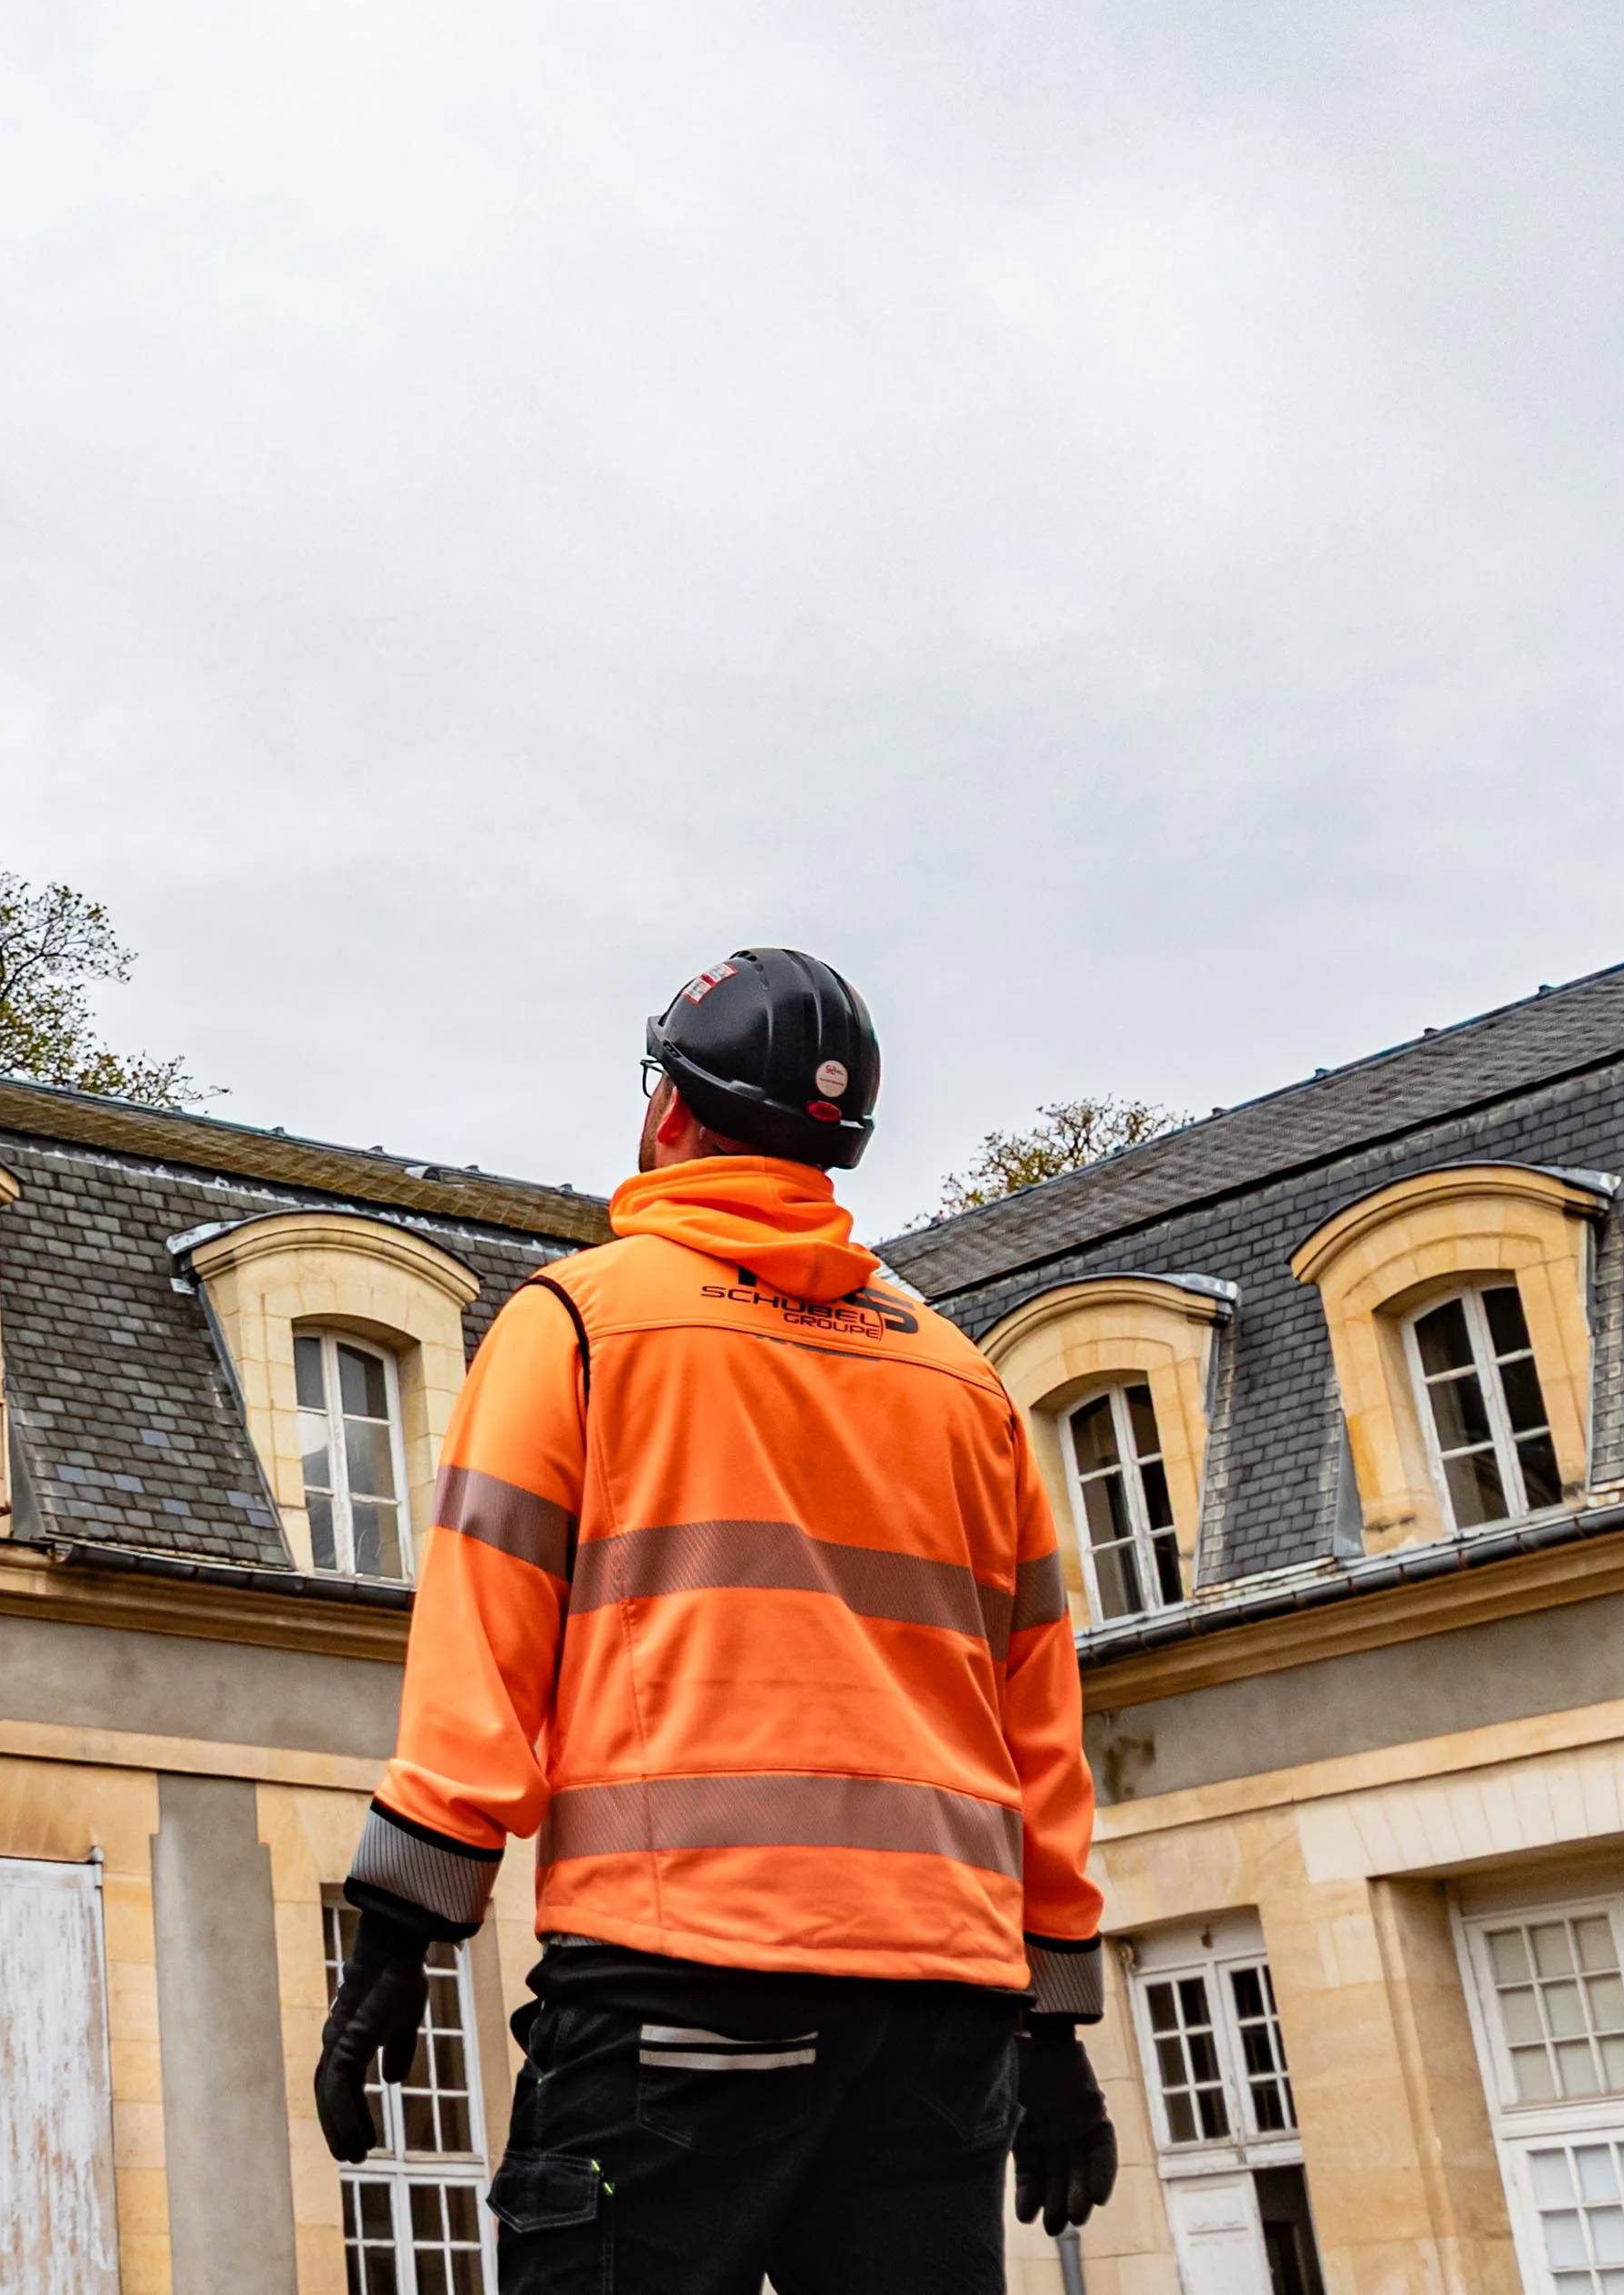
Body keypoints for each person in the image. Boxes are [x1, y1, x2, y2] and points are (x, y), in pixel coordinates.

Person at [314, 950, 1115, 2293]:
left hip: (679, 1994)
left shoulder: (578, 1326)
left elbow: (480, 1666)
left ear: (672, 1110)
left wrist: (399, 1935)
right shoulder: (963, 1381)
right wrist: (1054, 2019)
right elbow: (1038, 1719)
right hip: (937, 2024)